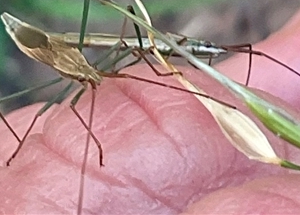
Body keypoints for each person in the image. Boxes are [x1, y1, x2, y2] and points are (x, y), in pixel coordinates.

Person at [1, 11, 300, 214]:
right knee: (40, 115)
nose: (95, 83)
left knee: (128, 78)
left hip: (73, 54)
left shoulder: (100, 71)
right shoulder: (74, 83)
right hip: (42, 46)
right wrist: (98, 144)